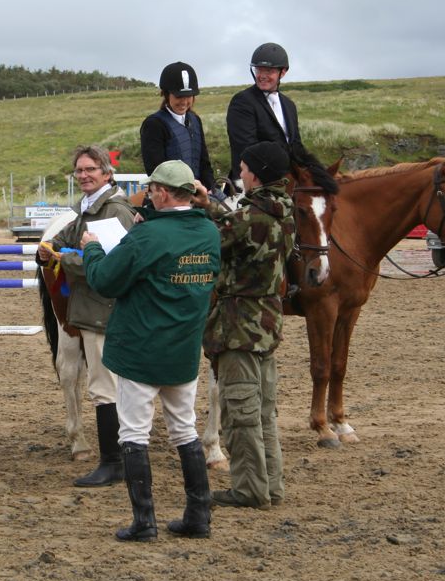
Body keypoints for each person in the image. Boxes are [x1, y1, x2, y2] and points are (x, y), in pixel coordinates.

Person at [81, 160, 220, 541]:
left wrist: (92, 250)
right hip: (183, 347)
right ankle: (198, 514)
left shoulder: (147, 237)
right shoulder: (209, 232)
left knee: (134, 433)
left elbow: (105, 280)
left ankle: (144, 521)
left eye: (152, 190)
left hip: (141, 348)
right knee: (184, 429)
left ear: (160, 192)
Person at [199, 141, 296, 509]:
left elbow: (214, 238)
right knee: (264, 413)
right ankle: (270, 485)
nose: (240, 174)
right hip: (266, 324)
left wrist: (196, 208)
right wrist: (209, 204)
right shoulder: (283, 212)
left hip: (239, 325)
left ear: (257, 174)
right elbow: (235, 225)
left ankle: (249, 489)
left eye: (243, 169)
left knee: (240, 414)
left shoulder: (249, 218)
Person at [37, 145, 136, 487]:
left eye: (90, 169)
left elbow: (109, 266)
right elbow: (65, 237)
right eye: (79, 170)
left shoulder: (114, 211)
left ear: (107, 173)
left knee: (104, 387)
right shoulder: (88, 209)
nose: (83, 175)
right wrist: (49, 248)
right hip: (94, 307)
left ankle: (113, 462)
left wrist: (63, 259)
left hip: (104, 309)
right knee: (104, 386)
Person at [225, 43, 301, 185]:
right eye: (259, 70)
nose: (262, 76)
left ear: (283, 72)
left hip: (286, 182)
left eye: (269, 71)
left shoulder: (289, 105)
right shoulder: (242, 102)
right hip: (253, 182)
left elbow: (296, 145)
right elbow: (248, 148)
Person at [140, 62, 216, 192]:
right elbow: (156, 171)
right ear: (166, 94)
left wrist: (208, 189)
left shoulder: (195, 120)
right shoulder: (154, 124)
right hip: (168, 196)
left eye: (188, 96)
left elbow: (204, 162)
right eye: (179, 96)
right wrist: (185, 194)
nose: (184, 102)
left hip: (198, 192)